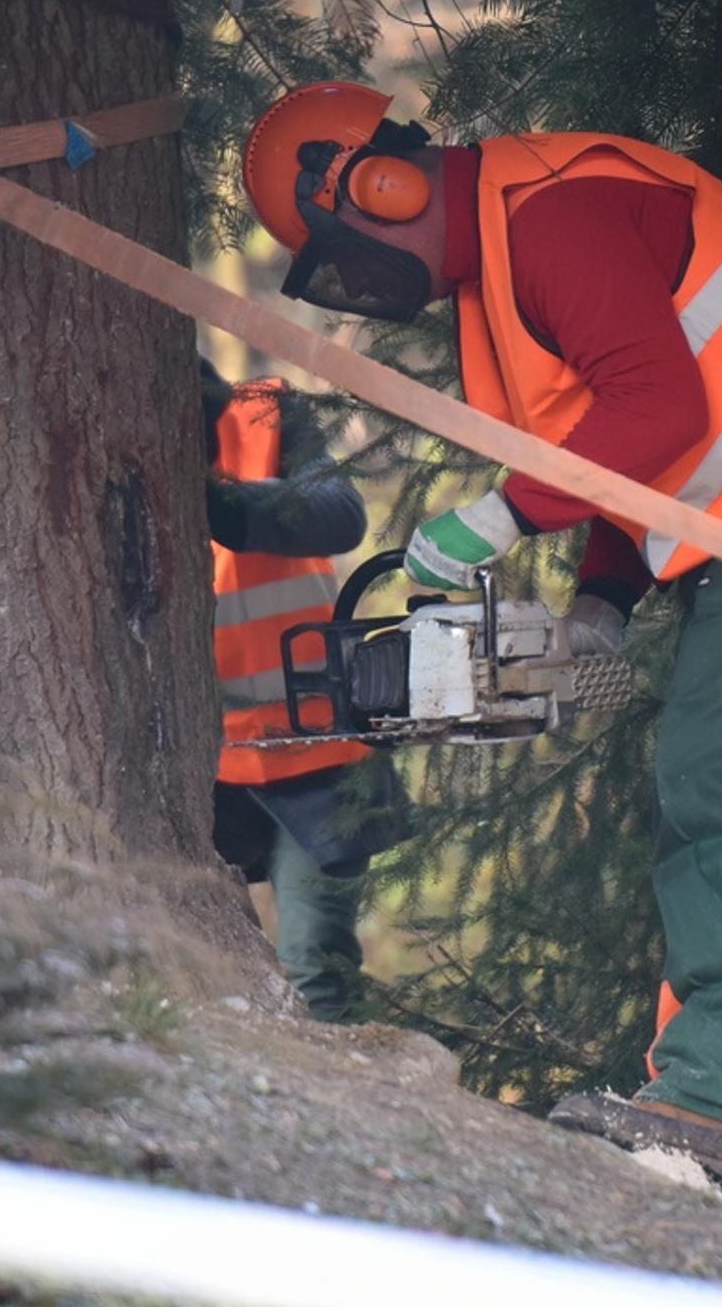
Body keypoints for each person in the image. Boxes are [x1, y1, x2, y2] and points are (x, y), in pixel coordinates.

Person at [239, 82, 722, 1207]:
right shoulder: (501, 283)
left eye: (350, 241)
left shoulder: (549, 217)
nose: (364, 278)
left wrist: (495, 518)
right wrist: (601, 605)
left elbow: (659, 406)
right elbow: (611, 451)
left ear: (383, 181)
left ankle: (714, 1111)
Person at [202, 356, 411, 1021]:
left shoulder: (265, 413)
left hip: (317, 750)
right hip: (199, 765)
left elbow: (339, 514)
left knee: (312, 965)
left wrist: (224, 505)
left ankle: (357, 1107)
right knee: (203, 965)